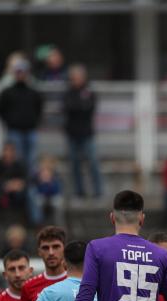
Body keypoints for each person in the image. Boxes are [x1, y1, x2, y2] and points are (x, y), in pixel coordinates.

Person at [64, 64, 103, 201]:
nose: (75, 80)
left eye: (77, 77)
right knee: (75, 165)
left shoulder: (89, 92)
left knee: (93, 163)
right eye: (73, 77)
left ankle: (98, 192)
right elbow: (69, 108)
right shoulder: (68, 93)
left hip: (87, 134)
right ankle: (79, 192)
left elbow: (90, 108)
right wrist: (80, 106)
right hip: (72, 134)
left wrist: (79, 106)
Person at [0, 59, 44, 169]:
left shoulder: (33, 92)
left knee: (32, 160)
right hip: (14, 131)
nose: (21, 74)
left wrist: (34, 122)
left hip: (30, 131)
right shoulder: (7, 92)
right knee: (16, 160)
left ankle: (30, 184)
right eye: (19, 72)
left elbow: (39, 108)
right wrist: (10, 122)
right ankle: (18, 183)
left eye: (23, 71)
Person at [0, 142, 41, 230]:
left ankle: (37, 222)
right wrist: (5, 185)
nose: (8, 153)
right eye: (6, 150)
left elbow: (29, 179)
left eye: (11, 151)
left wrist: (20, 184)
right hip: (1, 195)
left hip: (19, 195)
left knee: (31, 192)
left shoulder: (21, 164)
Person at [31, 156, 64, 223]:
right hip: (42, 197)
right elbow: (37, 191)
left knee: (59, 203)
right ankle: (39, 222)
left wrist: (50, 184)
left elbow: (57, 191)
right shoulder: (36, 177)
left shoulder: (55, 178)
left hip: (52, 197)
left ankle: (59, 223)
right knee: (37, 201)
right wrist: (42, 183)